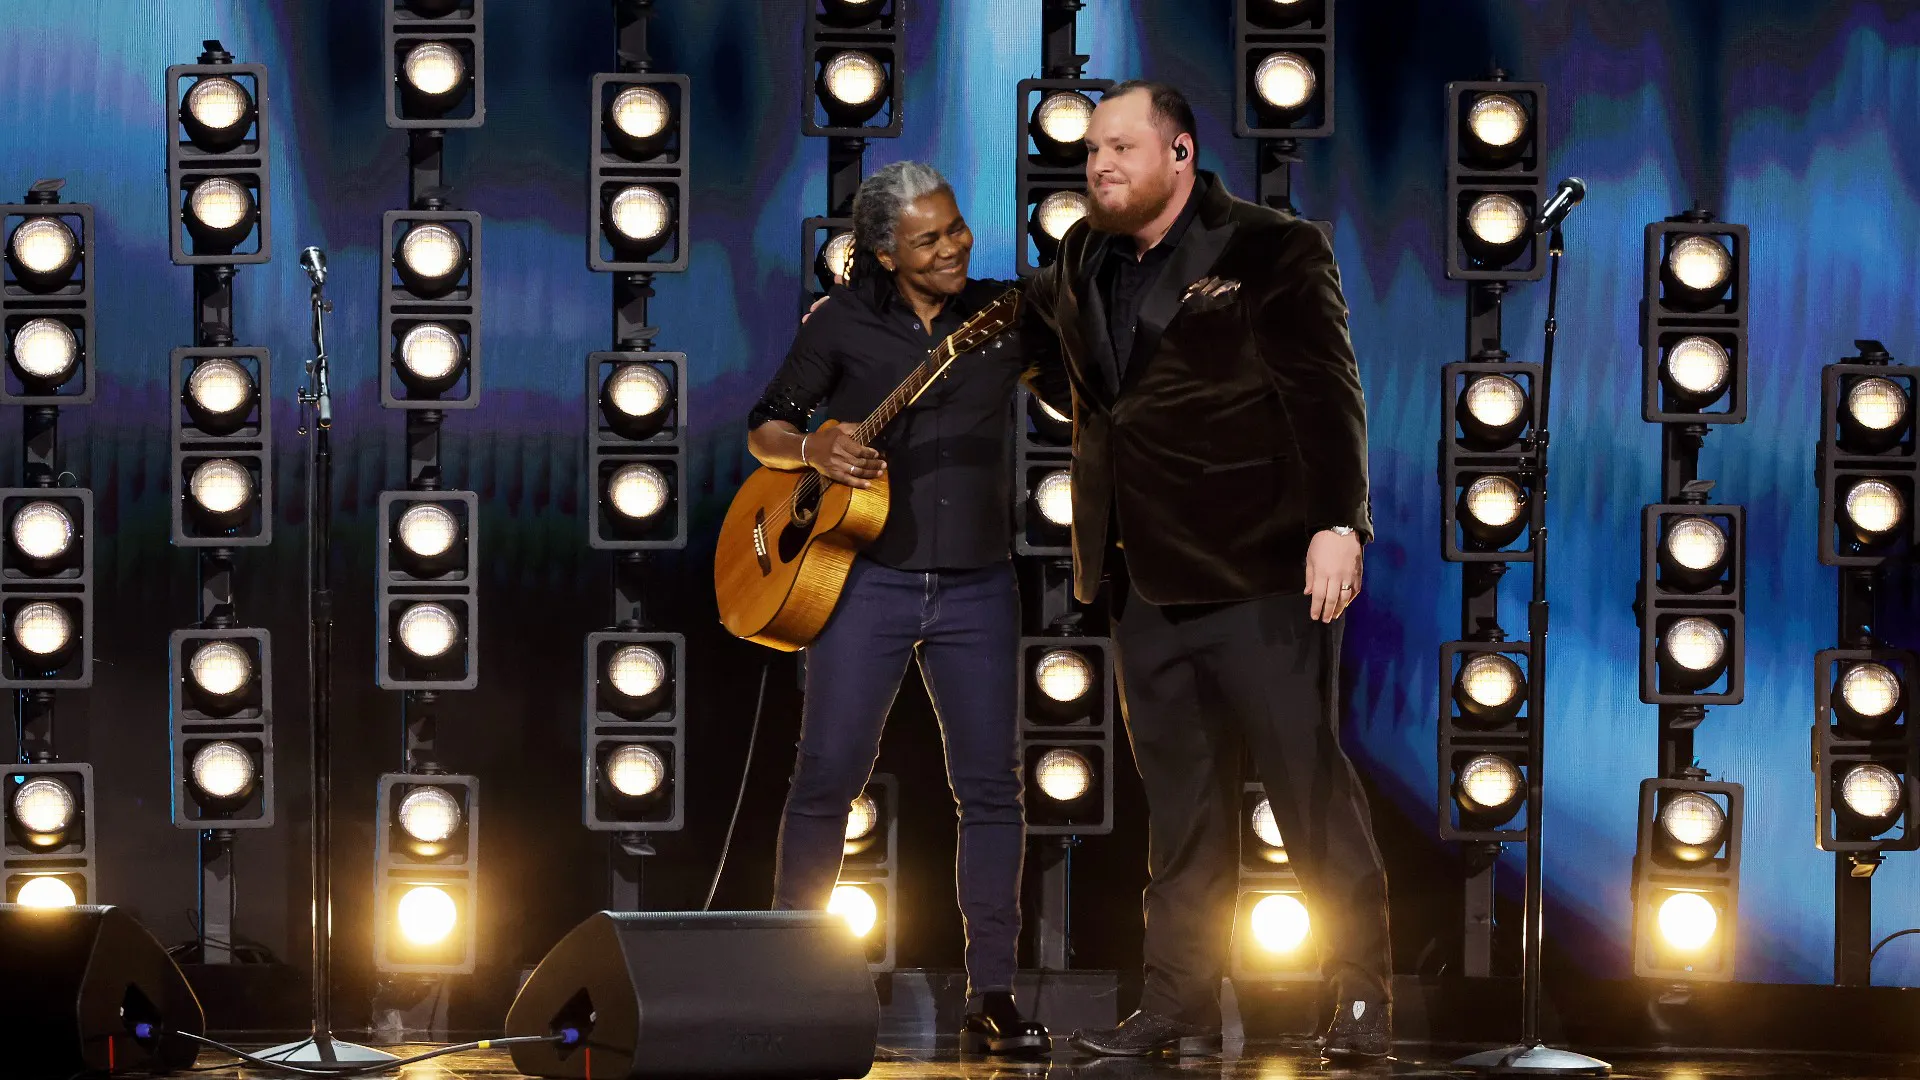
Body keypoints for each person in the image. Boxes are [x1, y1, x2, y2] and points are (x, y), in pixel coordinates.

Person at [1020, 81, 1392, 1060]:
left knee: (1305, 788)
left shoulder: (1272, 247)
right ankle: (1177, 1003)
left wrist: (1339, 522)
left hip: (1259, 568)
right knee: (1181, 806)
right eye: (1092, 151)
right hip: (1139, 575)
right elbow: (1037, 334)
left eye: (1121, 148)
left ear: (1180, 154)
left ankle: (1359, 996)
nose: (1100, 165)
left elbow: (1328, 391)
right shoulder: (1083, 253)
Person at [746, 161, 1059, 1056]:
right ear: (885, 253)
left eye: (956, 227)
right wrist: (813, 446)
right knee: (826, 780)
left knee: (991, 788)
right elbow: (766, 426)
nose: (954, 246)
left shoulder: (1003, 315)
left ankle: (992, 994)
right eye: (929, 239)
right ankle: (790, 988)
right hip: (863, 579)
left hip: (979, 586)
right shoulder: (842, 321)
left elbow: (1081, 386)